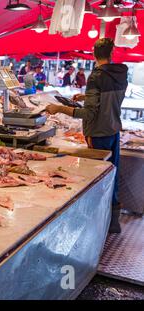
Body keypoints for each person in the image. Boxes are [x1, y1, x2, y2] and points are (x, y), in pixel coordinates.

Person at [45, 38, 127, 233]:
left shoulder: (95, 77)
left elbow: (89, 113)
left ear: (93, 54)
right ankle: (113, 222)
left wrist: (59, 108)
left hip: (98, 133)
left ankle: (97, 225)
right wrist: (86, 97)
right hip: (113, 129)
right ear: (112, 53)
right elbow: (108, 100)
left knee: (97, 178)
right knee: (111, 174)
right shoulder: (120, 74)